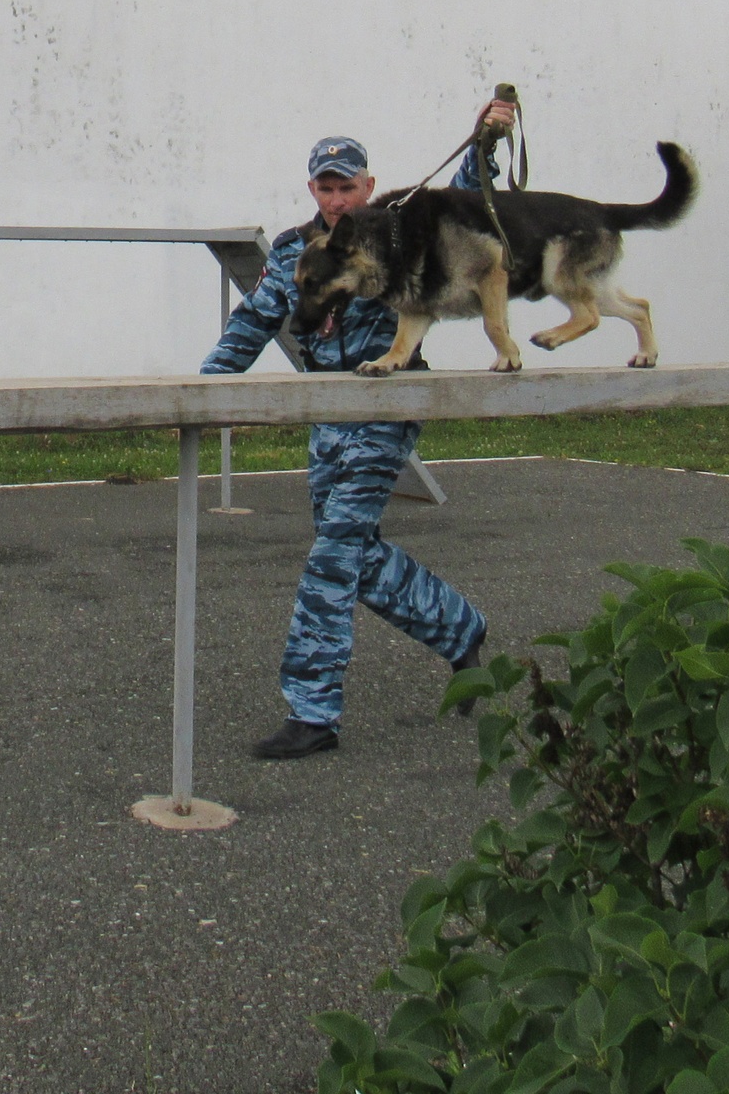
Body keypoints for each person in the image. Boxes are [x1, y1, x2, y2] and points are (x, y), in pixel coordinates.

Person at [202, 113, 507, 760]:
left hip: (385, 408)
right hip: (327, 418)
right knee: (354, 551)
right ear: (313, 191)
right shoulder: (292, 251)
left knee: (334, 555)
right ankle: (462, 631)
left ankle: (313, 712)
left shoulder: (398, 234)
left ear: (369, 185)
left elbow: (463, 206)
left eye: (348, 187)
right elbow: (256, 320)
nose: (338, 200)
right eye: (326, 188)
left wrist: (485, 141)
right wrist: (208, 388)